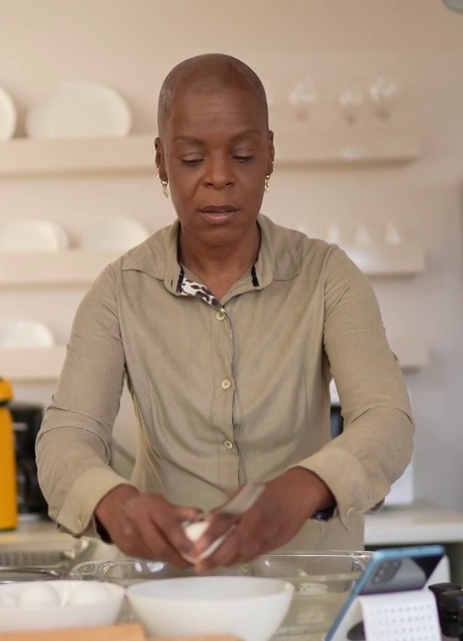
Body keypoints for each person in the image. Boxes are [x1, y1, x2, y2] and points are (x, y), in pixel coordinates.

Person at [37, 53, 414, 573]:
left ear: (270, 156)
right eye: (192, 159)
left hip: (309, 594)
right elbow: (66, 437)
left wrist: (306, 487)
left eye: (241, 155)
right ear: (161, 161)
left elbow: (386, 418)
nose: (218, 178)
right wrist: (112, 501)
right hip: (171, 593)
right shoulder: (118, 292)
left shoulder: (328, 276)